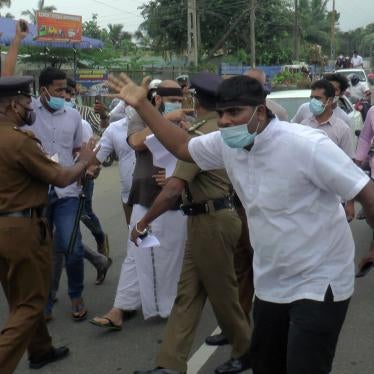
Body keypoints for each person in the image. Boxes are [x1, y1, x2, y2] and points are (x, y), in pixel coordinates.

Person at [109, 73, 374, 374]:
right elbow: (183, 148)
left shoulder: (306, 145)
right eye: (221, 113)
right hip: (272, 283)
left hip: (320, 281)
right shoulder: (227, 144)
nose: (224, 121)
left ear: (260, 112)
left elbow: (366, 192)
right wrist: (143, 106)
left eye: (235, 112)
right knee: (266, 366)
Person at [131, 72, 252, 374]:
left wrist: (143, 222)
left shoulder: (199, 137)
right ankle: (170, 364)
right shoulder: (213, 129)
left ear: (194, 99)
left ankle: (247, 350)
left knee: (223, 295)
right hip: (208, 218)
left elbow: (172, 189)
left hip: (210, 221)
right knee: (189, 294)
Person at [0, 75, 98, 372]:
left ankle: (40, 350)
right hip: (22, 229)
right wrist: (85, 160)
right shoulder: (19, 141)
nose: (30, 106)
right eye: (26, 101)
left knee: (20, 295)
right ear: (14, 106)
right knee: (31, 303)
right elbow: (61, 177)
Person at [89, 79, 187, 329]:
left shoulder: (189, 118)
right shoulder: (138, 117)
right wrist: (165, 120)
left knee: (169, 255)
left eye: (179, 96)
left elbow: (195, 152)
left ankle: (167, 305)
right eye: (168, 96)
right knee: (137, 251)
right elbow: (136, 142)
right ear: (157, 99)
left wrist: (177, 174)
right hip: (144, 197)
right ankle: (120, 309)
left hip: (176, 199)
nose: (175, 101)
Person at [30, 67, 88, 321]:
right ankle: (45, 304)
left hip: (67, 192)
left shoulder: (73, 116)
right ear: (43, 90)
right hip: (36, 194)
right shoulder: (28, 112)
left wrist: (88, 165)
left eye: (66, 89)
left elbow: (78, 149)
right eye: (59, 90)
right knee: (40, 254)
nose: (65, 94)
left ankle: (76, 294)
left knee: (72, 248)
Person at [66, 79, 110, 257]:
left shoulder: (84, 114)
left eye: (69, 92)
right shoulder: (43, 117)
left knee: (84, 212)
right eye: (61, 92)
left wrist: (104, 116)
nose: (65, 96)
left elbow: (103, 128)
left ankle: (100, 238)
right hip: (57, 173)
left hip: (83, 171)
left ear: (75, 94)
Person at [301, 79, 355, 221]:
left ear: (330, 101)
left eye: (318, 98)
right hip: (307, 199)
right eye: (311, 98)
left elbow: (350, 166)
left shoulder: (342, 129)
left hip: (335, 199)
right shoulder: (303, 126)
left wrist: (350, 202)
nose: (313, 101)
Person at [95, 116, 136, 224]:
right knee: (134, 234)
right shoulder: (114, 128)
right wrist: (85, 165)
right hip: (129, 196)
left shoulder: (160, 123)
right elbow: (96, 157)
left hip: (159, 195)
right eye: (127, 101)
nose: (131, 104)